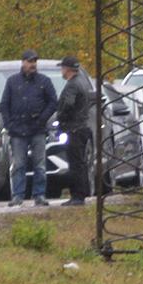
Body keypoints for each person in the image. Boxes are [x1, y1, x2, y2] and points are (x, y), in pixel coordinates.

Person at [0, 49, 58, 206]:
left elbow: (53, 102)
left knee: (40, 164)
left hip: (37, 129)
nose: (32, 65)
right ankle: (18, 195)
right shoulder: (12, 82)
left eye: (34, 62)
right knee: (19, 164)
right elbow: (4, 104)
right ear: (23, 62)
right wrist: (9, 124)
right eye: (30, 61)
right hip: (18, 130)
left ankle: (39, 194)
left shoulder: (44, 81)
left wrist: (42, 119)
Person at [55, 55, 94, 205]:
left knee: (75, 163)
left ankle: (77, 195)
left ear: (68, 69)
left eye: (63, 68)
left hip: (74, 128)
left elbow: (69, 104)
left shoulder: (72, 85)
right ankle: (81, 193)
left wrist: (61, 117)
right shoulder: (83, 82)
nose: (62, 71)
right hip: (82, 126)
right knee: (81, 162)